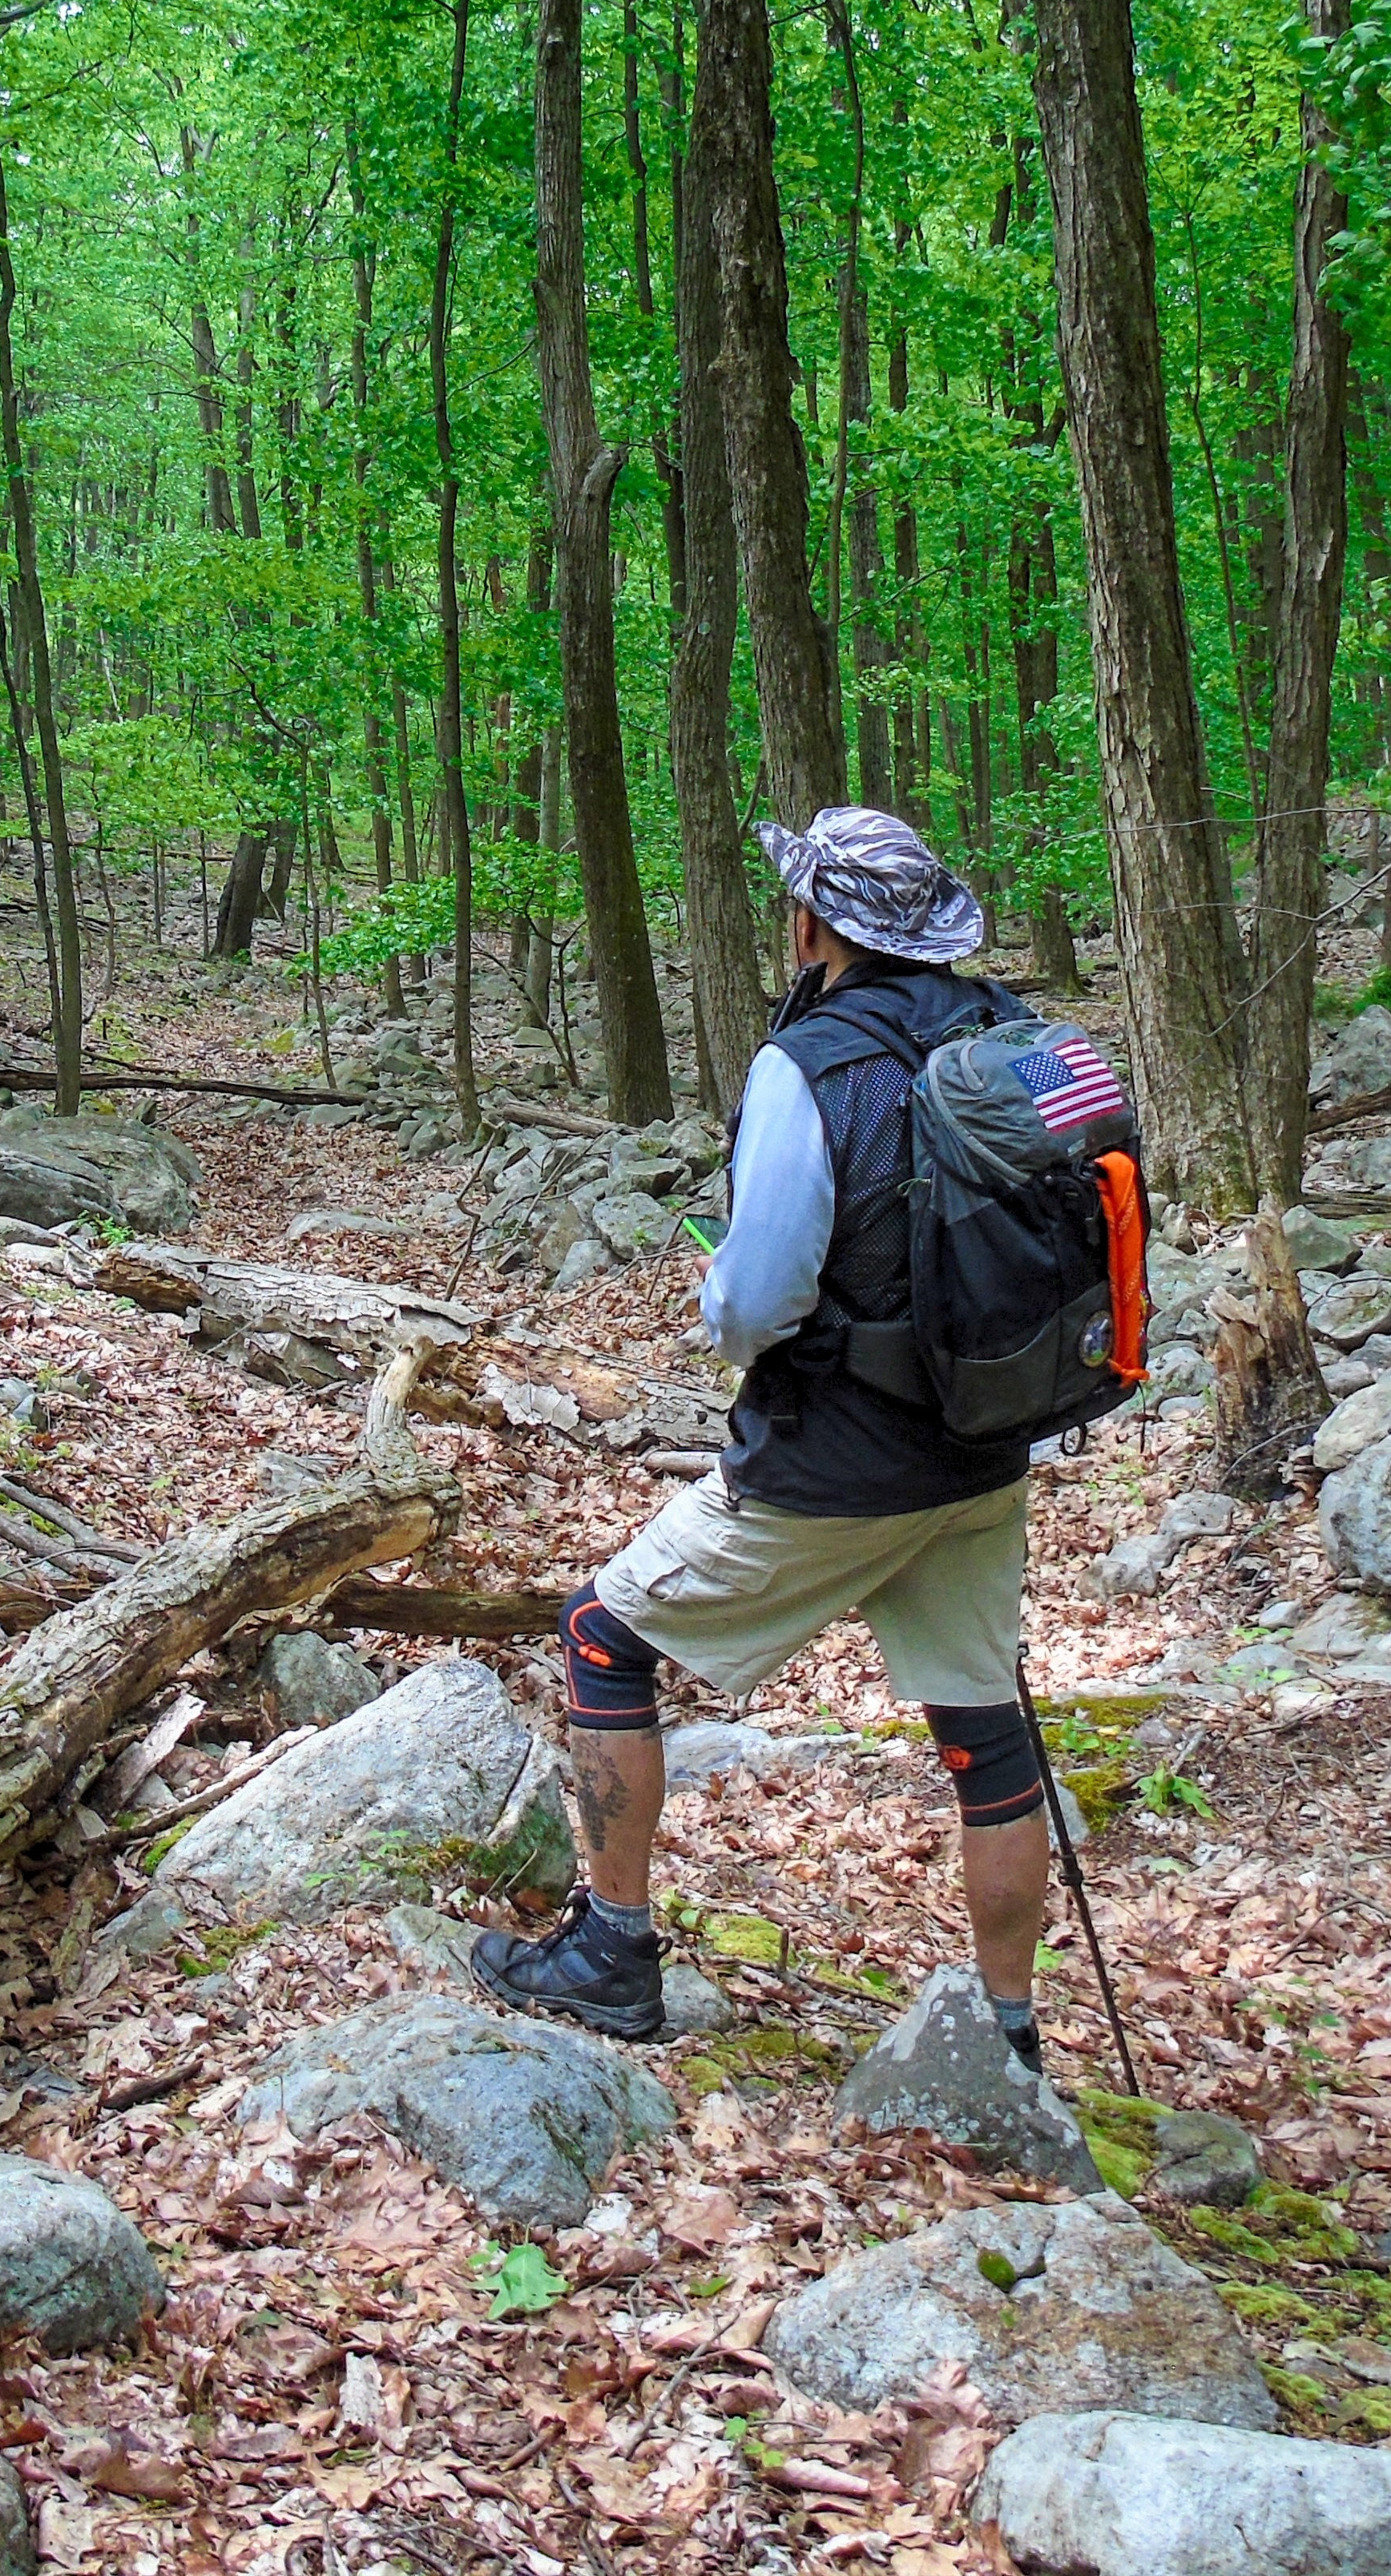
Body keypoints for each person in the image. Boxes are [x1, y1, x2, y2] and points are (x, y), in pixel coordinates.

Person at [476, 806, 1062, 2065]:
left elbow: (754, 1302)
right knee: (985, 1728)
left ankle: (614, 1953)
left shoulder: (811, 1065)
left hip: (835, 1455)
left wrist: (725, 1317)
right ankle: (1009, 2032)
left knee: (601, 1637)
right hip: (986, 1444)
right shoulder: (1008, 1033)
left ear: (813, 927)